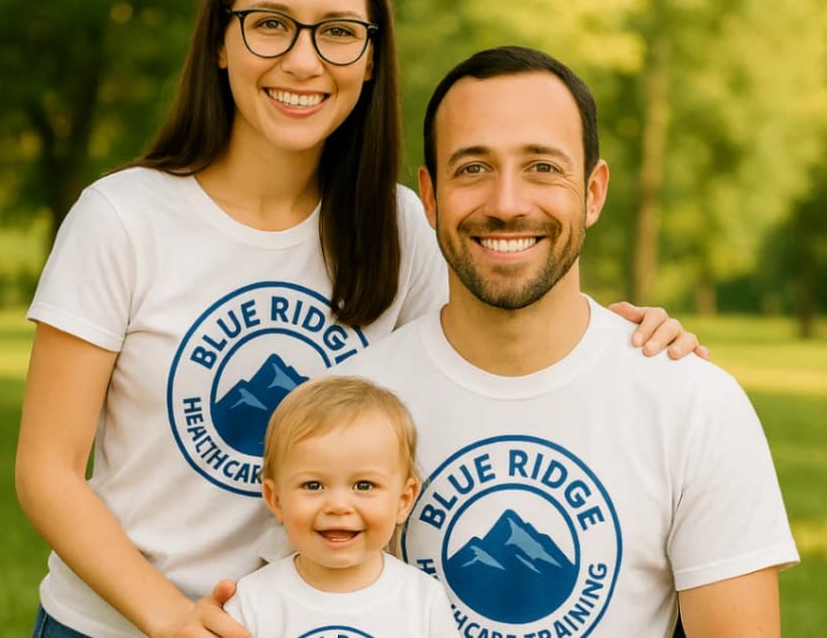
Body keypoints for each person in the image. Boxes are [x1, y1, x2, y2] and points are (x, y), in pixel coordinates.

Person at [14, 0, 702, 638]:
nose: (303, 61)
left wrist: (618, 338)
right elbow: (47, 470)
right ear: (221, 39)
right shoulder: (122, 217)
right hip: (114, 624)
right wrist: (171, 619)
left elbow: (491, 360)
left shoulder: (402, 226)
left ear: (372, 57)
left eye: (339, 32)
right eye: (270, 23)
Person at [338, 46, 800, 637]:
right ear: (429, 196)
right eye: (473, 168)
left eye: (543, 167)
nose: (507, 204)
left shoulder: (695, 405)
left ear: (594, 191)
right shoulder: (350, 407)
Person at [222, 375, 459, 638]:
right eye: (313, 485)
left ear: (403, 500)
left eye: (364, 485)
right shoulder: (253, 600)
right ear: (275, 499)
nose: (338, 506)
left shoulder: (422, 600)